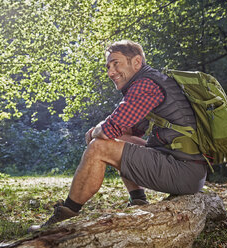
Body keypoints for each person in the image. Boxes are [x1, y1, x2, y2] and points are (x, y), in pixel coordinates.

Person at [28, 40, 207, 231]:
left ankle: (64, 217)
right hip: (186, 169)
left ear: (137, 62)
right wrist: (104, 132)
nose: (110, 72)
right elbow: (129, 131)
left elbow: (110, 129)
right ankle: (138, 200)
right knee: (118, 141)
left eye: (116, 63)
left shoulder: (146, 84)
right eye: (108, 66)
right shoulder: (153, 81)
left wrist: (95, 132)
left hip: (183, 172)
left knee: (99, 147)